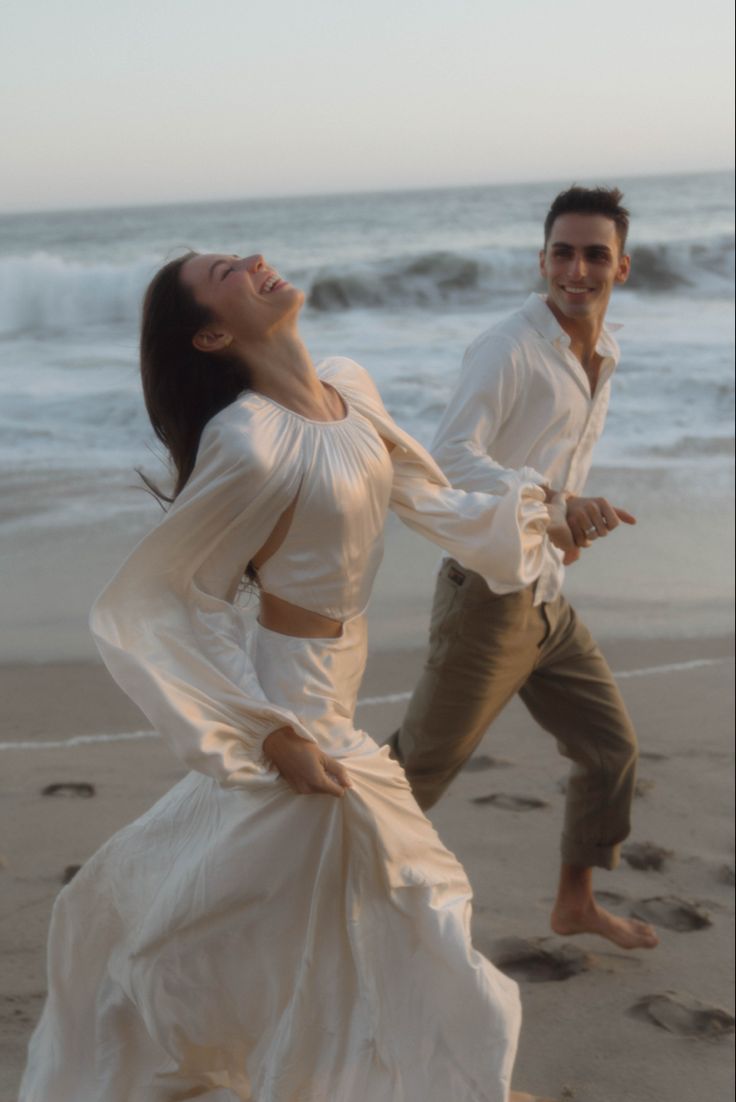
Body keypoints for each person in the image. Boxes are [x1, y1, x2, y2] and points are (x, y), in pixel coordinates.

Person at [19, 250, 565, 1102]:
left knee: (293, 896)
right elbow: (166, 601)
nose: (255, 263)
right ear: (210, 331)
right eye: (226, 272)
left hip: (340, 677)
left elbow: (430, 497)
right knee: (402, 881)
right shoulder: (247, 441)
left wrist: (543, 521)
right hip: (297, 695)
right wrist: (267, 731)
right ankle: (454, 1080)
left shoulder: (349, 390)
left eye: (244, 254)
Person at [391, 187, 659, 952]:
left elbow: (553, 464)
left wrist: (564, 522)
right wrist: (556, 500)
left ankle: (575, 902)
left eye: (595, 255)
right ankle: (301, 885)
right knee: (412, 778)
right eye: (564, 253)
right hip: (489, 601)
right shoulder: (506, 347)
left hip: (547, 593)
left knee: (611, 750)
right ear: (541, 260)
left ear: (622, 267)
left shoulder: (605, 351)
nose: (578, 269)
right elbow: (447, 459)